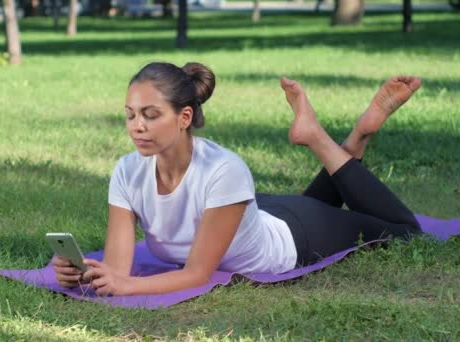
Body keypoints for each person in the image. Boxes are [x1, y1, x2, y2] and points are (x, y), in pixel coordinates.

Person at [52, 62, 423, 296]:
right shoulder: (126, 171)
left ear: (184, 118)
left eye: (150, 115)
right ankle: (355, 139)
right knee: (323, 201)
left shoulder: (223, 169)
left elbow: (198, 274)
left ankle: (324, 137)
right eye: (130, 115)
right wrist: (87, 275)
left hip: (293, 235)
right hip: (248, 213)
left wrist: (131, 286)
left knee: (405, 230)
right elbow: (117, 270)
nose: (137, 127)